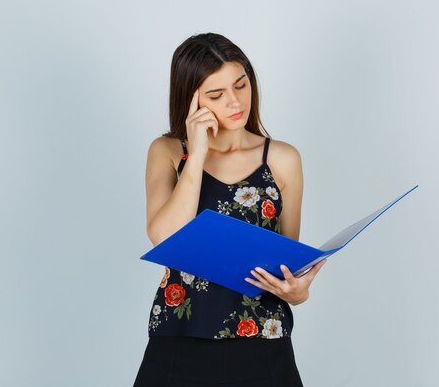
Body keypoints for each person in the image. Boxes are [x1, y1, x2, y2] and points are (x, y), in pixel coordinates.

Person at [133, 32, 327, 387]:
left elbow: (285, 262)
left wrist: (298, 292)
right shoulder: (167, 152)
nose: (235, 102)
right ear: (191, 100)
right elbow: (164, 238)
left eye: (241, 85)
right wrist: (197, 154)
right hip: (179, 338)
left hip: (263, 344)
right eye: (216, 95)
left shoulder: (282, 159)